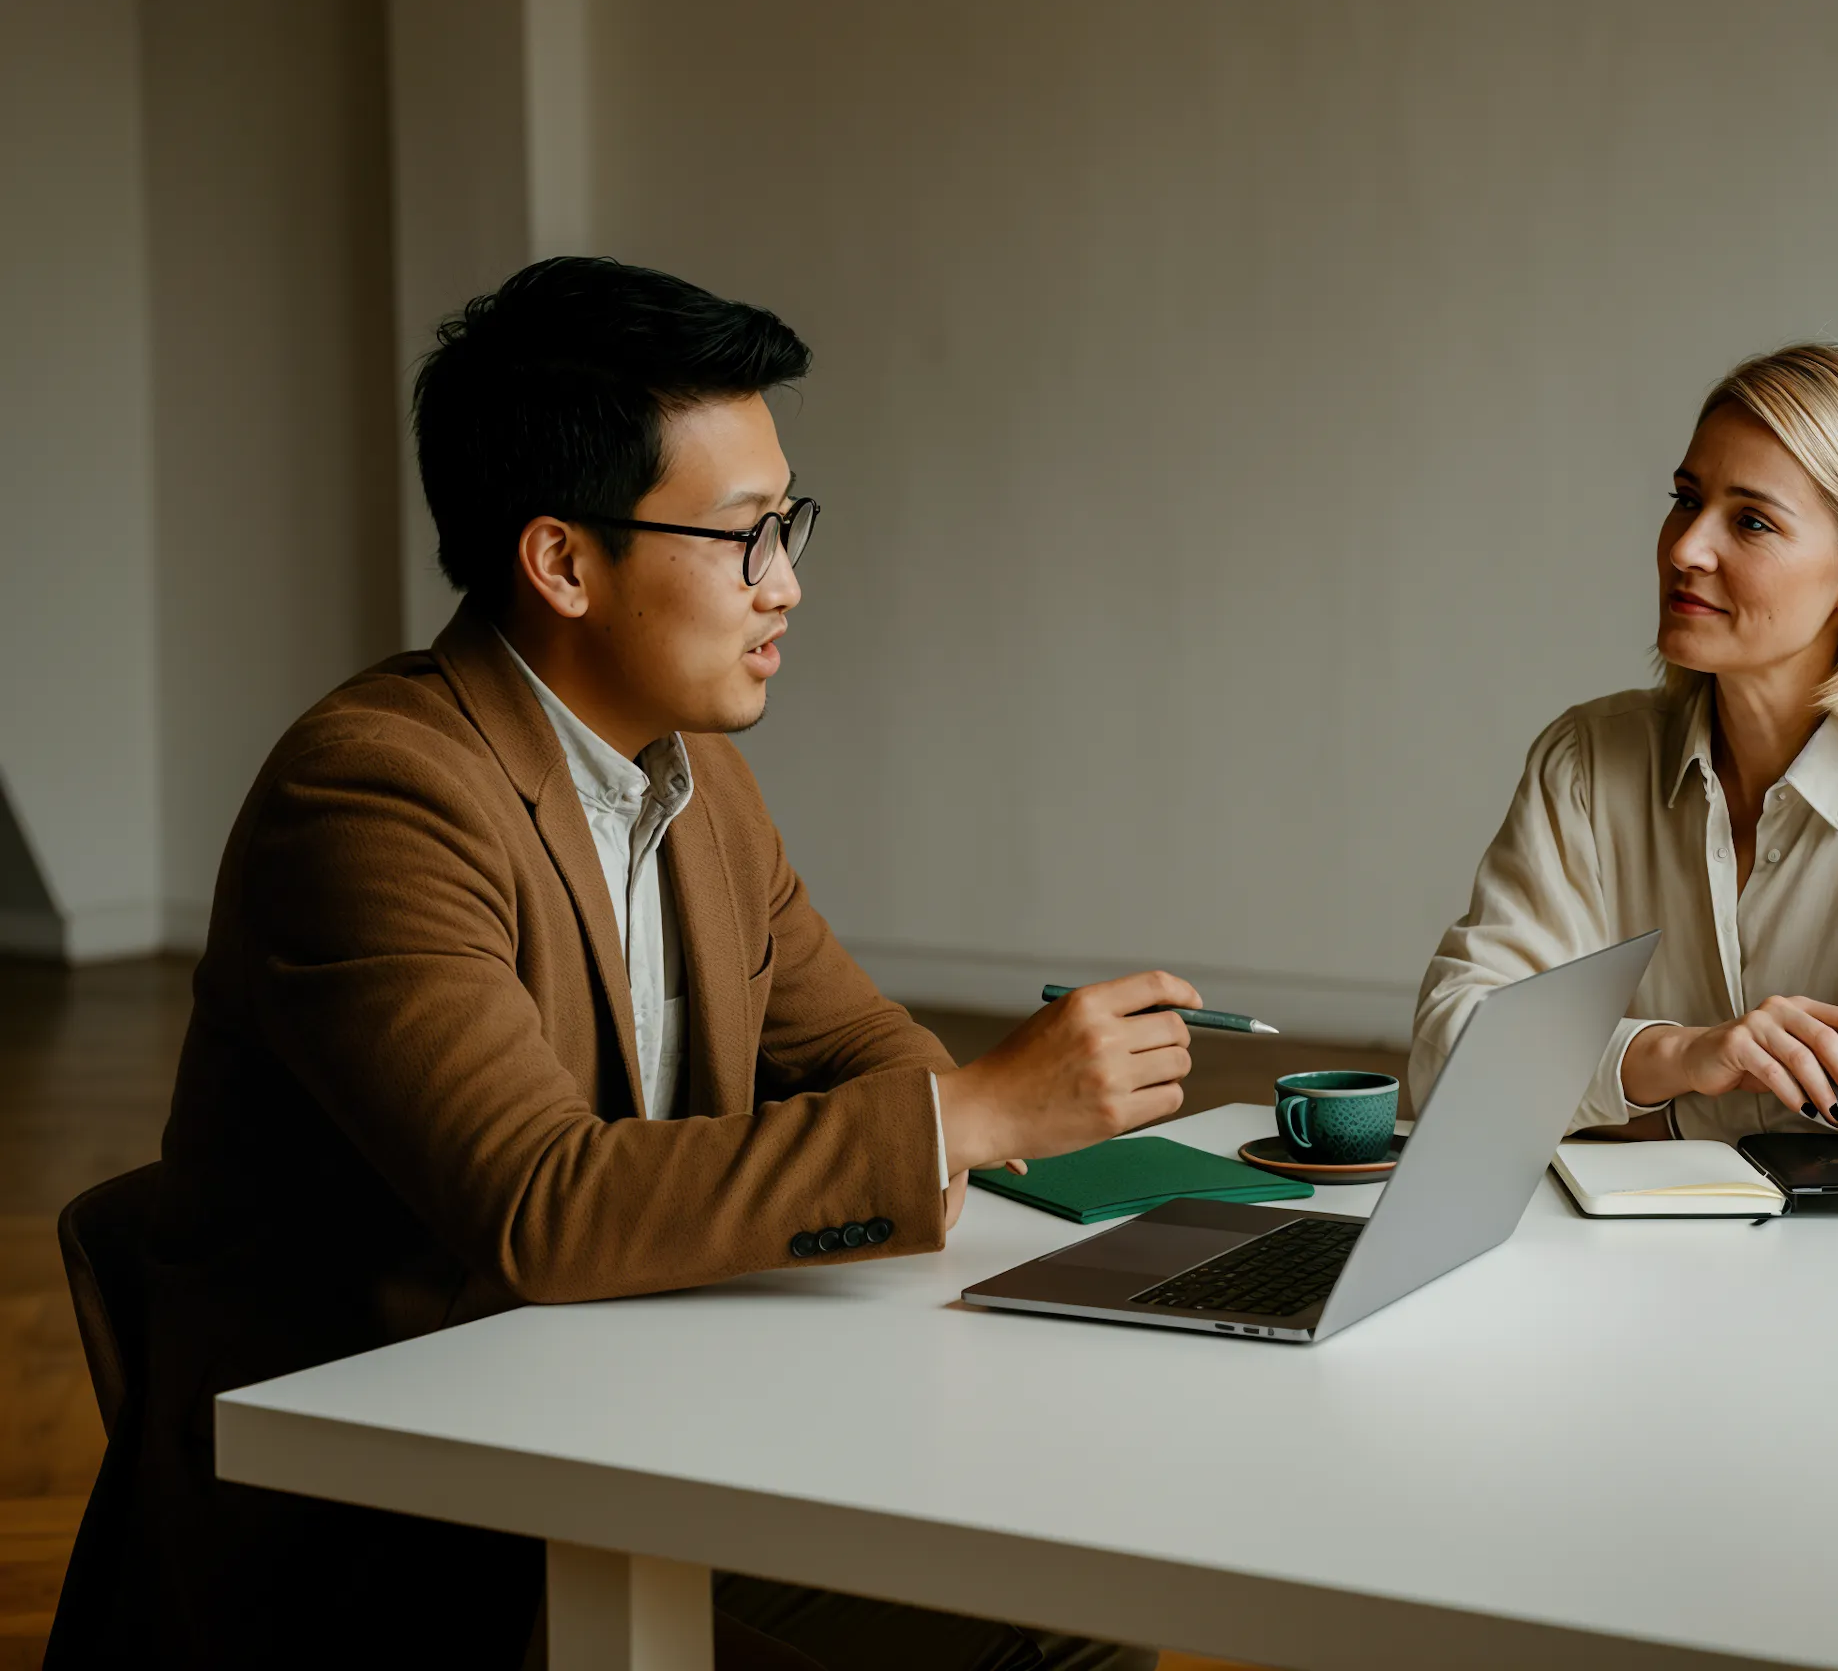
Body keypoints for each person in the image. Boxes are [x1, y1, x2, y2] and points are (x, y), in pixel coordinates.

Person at [49, 258, 1187, 1670]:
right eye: (741, 537)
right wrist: (977, 1116)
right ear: (562, 561)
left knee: (1094, 1609)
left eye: (792, 524)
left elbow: (857, 1049)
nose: (788, 584)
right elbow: (543, 1205)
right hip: (395, 1553)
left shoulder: (696, 775)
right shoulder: (369, 796)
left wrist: (935, 1110)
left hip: (631, 1437)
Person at [1409, 343, 1838, 1194]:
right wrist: (1682, 1052)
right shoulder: (1589, 764)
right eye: (1685, 500)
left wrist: (1669, 1106)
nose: (1685, 549)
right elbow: (1448, 1059)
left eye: (1750, 521)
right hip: (1649, 1278)